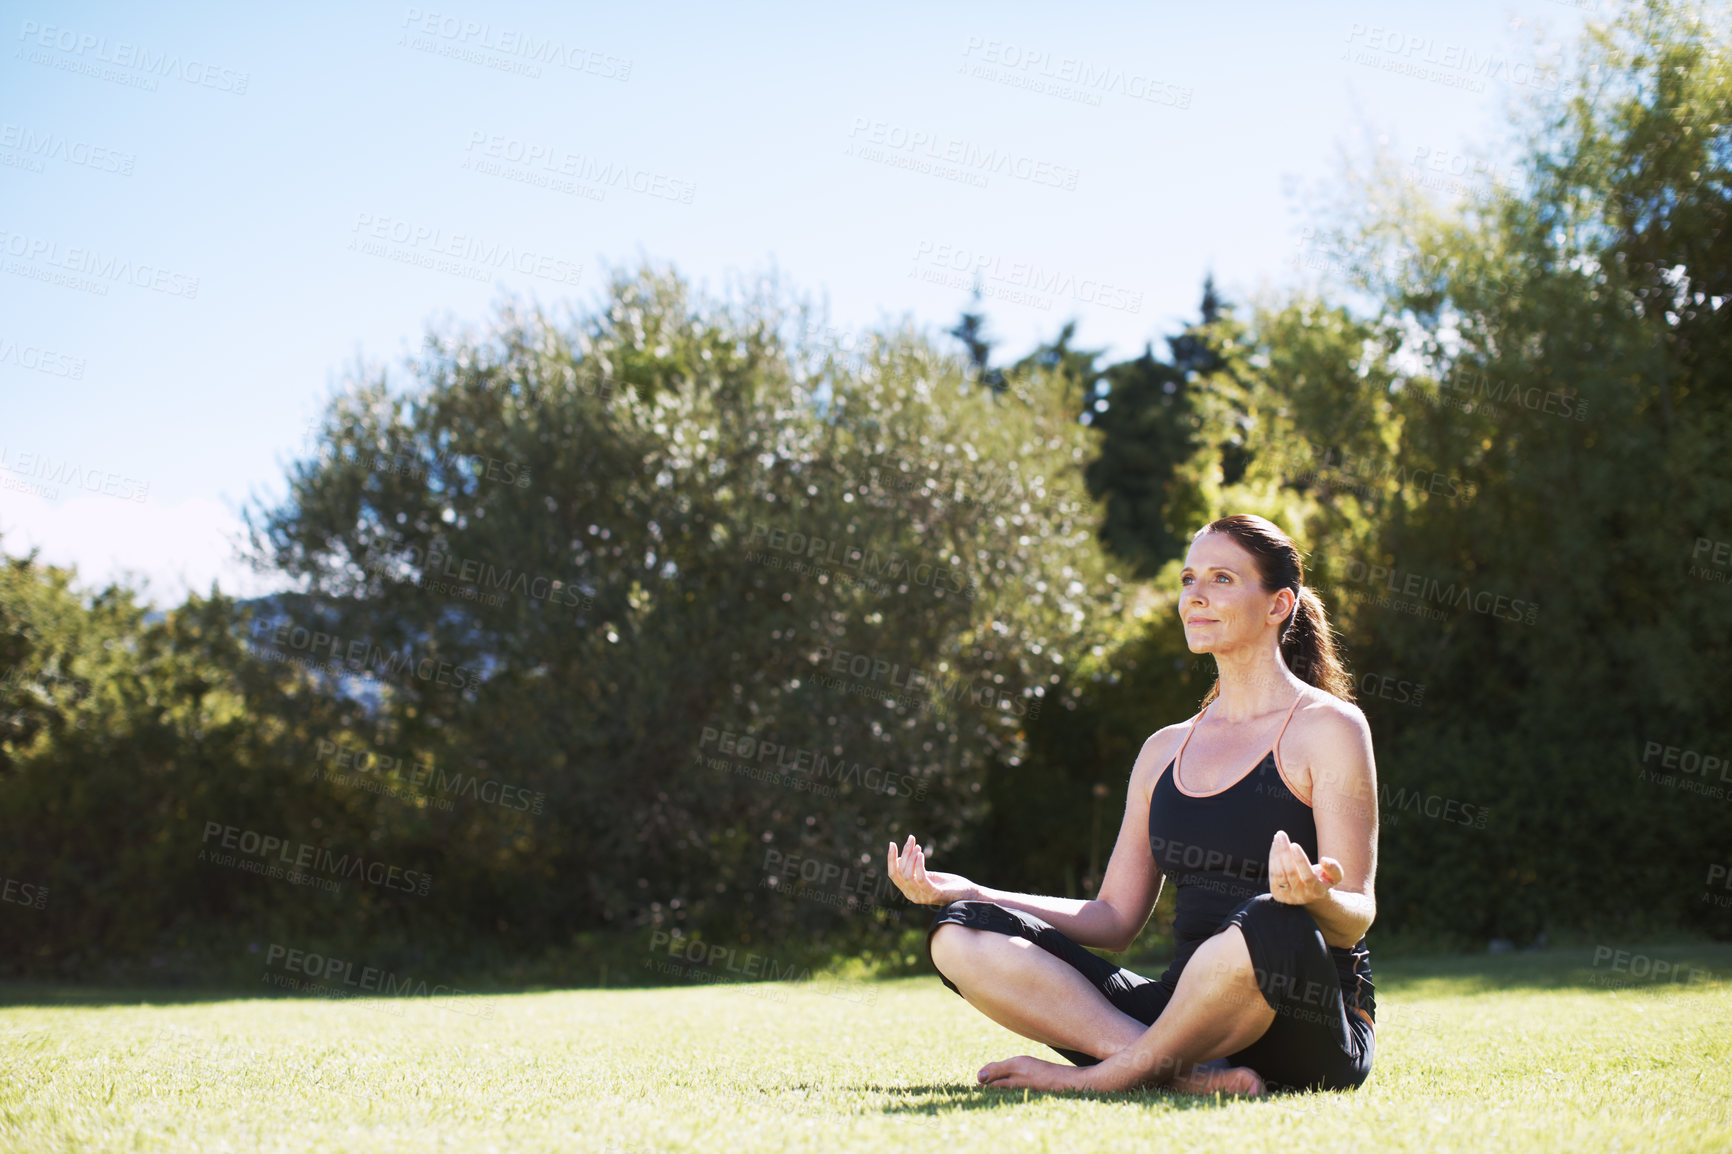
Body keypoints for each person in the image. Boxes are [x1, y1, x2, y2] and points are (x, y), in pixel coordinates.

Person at [887, 514, 1378, 1096]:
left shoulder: (1329, 728)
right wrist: (972, 892)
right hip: (1182, 1016)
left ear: (1278, 606)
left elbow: (1358, 913)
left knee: (1271, 916)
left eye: (1222, 579)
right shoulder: (1164, 750)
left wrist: (1316, 898)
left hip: (1302, 1018)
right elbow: (1114, 919)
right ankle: (1181, 1074)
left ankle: (1103, 1078)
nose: (1195, 595)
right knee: (959, 933)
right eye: (1188, 579)